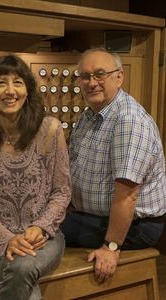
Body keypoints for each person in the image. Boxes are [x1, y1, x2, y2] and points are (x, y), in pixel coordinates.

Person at [0, 54, 71, 299]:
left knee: (23, 266)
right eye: (1, 83)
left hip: (45, 238)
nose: (10, 91)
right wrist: (8, 239)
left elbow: (62, 191)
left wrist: (40, 227)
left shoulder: (51, 130)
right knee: (23, 272)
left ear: (28, 91)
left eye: (18, 82)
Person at [60, 48, 166, 283]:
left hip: (135, 227)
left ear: (119, 77)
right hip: (93, 216)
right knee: (38, 226)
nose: (92, 83)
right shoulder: (90, 115)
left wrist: (111, 247)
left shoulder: (128, 120)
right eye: (85, 76)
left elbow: (128, 194)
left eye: (100, 74)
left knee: (45, 234)